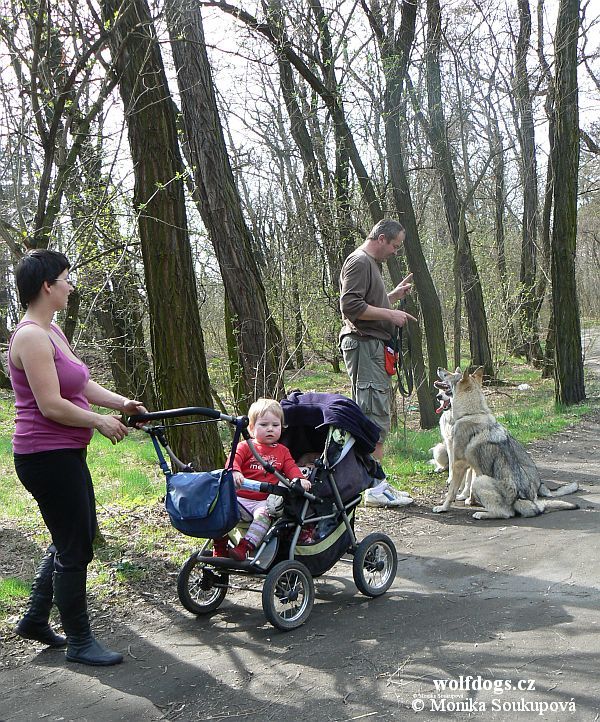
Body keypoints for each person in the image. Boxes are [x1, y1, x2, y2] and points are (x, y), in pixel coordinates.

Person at [9, 249, 147, 666]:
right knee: (75, 545)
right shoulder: (30, 336)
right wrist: (99, 423)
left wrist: (122, 403)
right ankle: (80, 642)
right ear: (47, 285)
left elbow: (80, 385)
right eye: (66, 278)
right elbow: (51, 404)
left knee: (72, 536)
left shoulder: (53, 333)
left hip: (64, 453)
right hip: (44, 455)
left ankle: (35, 618)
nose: (71, 285)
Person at [339, 219, 417, 461]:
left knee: (377, 413)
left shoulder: (370, 264)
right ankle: (373, 485)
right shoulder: (360, 261)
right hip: (364, 345)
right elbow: (350, 306)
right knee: (372, 415)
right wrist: (391, 314)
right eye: (395, 245)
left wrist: (391, 296)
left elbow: (367, 305)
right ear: (381, 238)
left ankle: (375, 480)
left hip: (372, 347)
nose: (395, 252)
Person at [213, 398, 311, 561]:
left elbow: (291, 468)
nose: (270, 429)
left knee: (265, 516)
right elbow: (233, 459)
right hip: (240, 498)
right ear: (251, 428)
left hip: (262, 501)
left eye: (275, 425)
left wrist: (299, 479)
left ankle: (245, 547)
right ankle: (220, 546)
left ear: (282, 427)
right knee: (221, 511)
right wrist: (235, 472)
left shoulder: (283, 451)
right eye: (264, 425)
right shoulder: (246, 446)